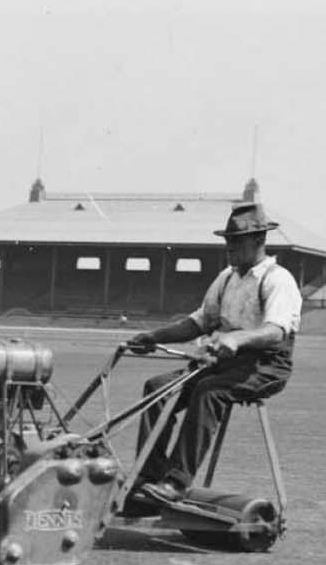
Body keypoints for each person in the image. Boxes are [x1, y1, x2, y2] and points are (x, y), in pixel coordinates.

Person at [125, 201, 302, 507]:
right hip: (224, 363)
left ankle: (176, 482)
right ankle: (149, 479)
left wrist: (237, 339)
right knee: (157, 389)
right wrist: (153, 337)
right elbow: (199, 322)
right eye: (227, 240)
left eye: (236, 241)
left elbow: (276, 330)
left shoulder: (277, 279)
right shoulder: (226, 278)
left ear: (259, 240)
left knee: (208, 392)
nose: (229, 247)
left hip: (266, 366)